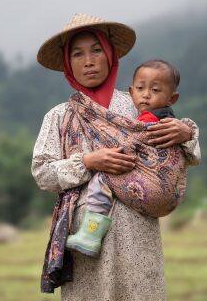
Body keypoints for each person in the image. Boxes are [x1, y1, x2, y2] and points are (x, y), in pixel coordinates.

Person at [32, 13, 200, 300]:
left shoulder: (139, 103)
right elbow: (42, 172)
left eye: (97, 50)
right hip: (85, 241)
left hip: (138, 234)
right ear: (67, 64)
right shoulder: (59, 116)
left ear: (110, 55)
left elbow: (181, 149)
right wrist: (87, 162)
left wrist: (187, 133)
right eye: (77, 53)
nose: (88, 60)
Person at [66, 59, 187, 258]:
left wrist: (104, 155)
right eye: (141, 88)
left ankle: (90, 233)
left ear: (172, 98)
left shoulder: (147, 119)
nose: (146, 95)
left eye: (155, 90)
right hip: (171, 197)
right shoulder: (169, 118)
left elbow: (129, 145)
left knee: (102, 178)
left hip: (150, 194)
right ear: (132, 92)